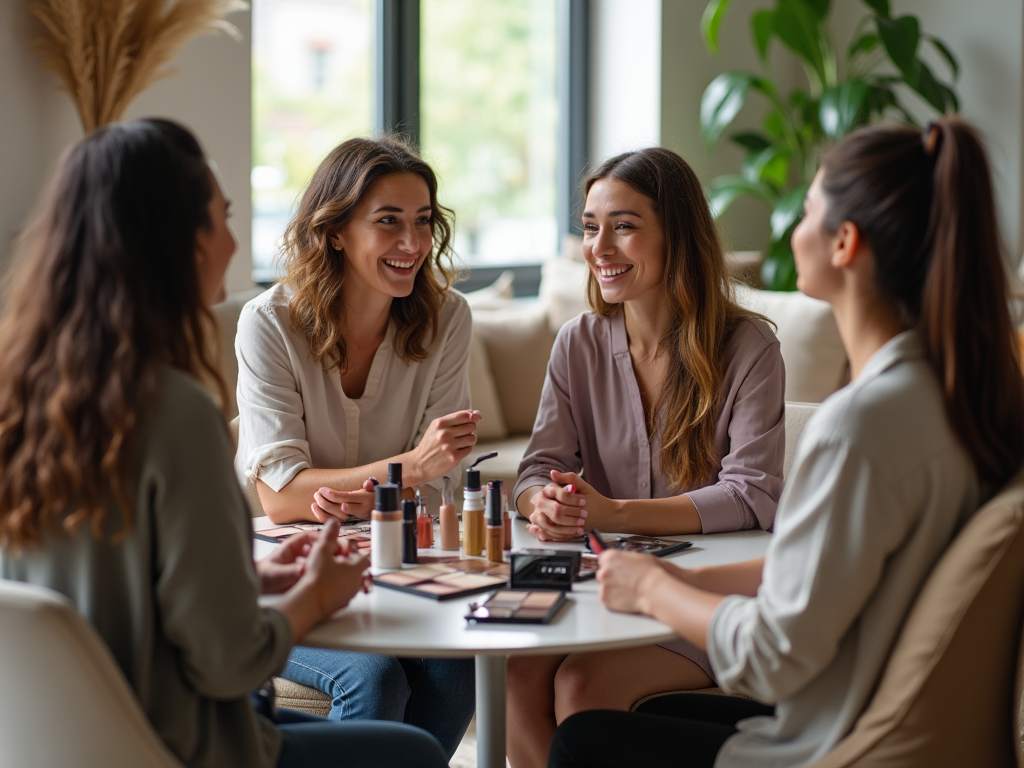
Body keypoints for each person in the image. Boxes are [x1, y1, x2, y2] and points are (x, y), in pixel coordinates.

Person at [547, 117, 1024, 768]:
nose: (794, 229)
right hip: (857, 711)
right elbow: (823, 569)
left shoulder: (857, 428)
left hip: (821, 742)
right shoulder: (953, 401)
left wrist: (655, 594)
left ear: (844, 243)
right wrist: (669, 574)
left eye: (806, 210)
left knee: (583, 738)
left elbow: (771, 659)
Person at [0, 119, 449, 768]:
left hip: (69, 743)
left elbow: (104, 587)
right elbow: (228, 661)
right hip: (184, 745)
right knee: (411, 755)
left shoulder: (23, 402)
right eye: (221, 218)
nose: (233, 241)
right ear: (174, 242)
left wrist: (253, 576)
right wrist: (314, 597)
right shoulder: (176, 412)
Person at [507, 147, 786, 768]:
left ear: (677, 236)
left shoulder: (748, 348)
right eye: (589, 226)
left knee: (581, 685)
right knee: (520, 671)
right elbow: (533, 470)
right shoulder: (576, 343)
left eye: (624, 226)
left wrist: (613, 512)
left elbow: (753, 494)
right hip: (598, 588)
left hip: (706, 598)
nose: (600, 247)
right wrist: (545, 503)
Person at [234, 136, 475, 755]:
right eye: (388, 222)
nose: (413, 244)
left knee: (460, 665)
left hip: (396, 566)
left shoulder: (448, 319)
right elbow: (281, 496)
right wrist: (408, 468)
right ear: (335, 231)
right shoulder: (269, 323)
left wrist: (374, 487)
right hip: (289, 574)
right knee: (373, 676)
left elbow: (445, 480)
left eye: (422, 222)